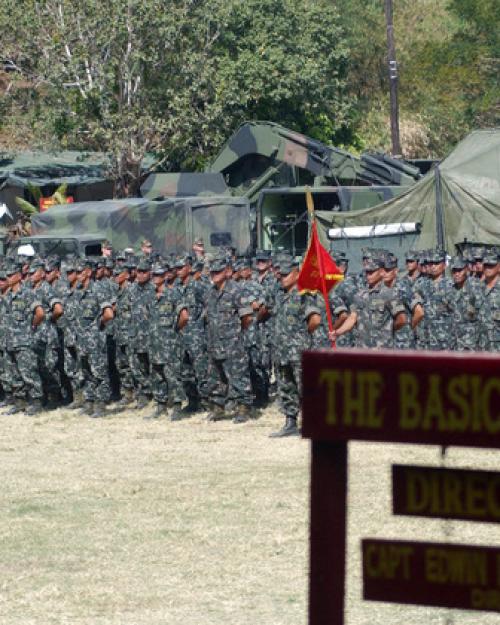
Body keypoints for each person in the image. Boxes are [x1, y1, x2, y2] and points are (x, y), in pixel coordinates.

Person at [270, 256, 322, 437]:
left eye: (286, 274)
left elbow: (315, 320)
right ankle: (290, 423)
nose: (282, 278)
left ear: (296, 273)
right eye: (280, 275)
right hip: (282, 351)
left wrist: (301, 335)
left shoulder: (304, 294)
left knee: (305, 388)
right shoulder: (279, 295)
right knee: (286, 387)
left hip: (298, 350)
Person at [205, 254, 254, 423]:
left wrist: (236, 334)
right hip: (214, 342)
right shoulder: (210, 293)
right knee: (216, 377)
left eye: (218, 272)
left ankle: (243, 408)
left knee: (238, 375)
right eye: (212, 272)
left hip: (233, 343)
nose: (214, 275)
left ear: (227, 271)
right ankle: (218, 408)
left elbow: (246, 317)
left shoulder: (236, 290)